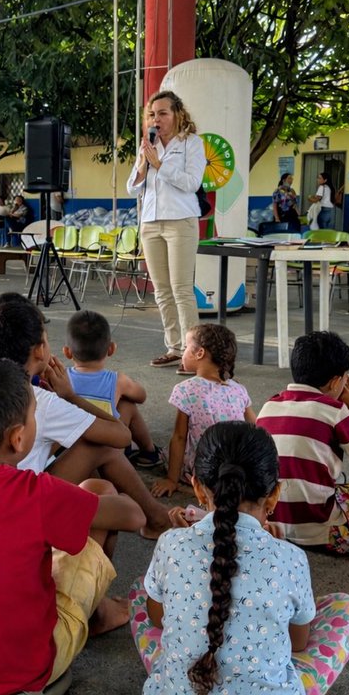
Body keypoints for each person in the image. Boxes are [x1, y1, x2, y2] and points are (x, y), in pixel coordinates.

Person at [0, 359, 144, 695]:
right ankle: (98, 617)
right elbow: (133, 516)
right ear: (19, 438)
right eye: (35, 415)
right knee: (99, 491)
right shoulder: (34, 493)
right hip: (28, 668)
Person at [129, 421, 349, 694]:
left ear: (197, 487)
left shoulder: (170, 543)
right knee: (344, 608)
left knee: (140, 591)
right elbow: (298, 642)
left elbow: (158, 619)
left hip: (179, 688)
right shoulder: (291, 558)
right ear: (275, 494)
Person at [0, 298, 172, 537]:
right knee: (102, 459)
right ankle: (156, 518)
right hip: (7, 512)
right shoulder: (35, 399)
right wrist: (70, 396)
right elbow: (122, 437)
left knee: (79, 440)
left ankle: (156, 517)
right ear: (40, 350)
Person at [256, 331, 349, 554]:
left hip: (275, 525)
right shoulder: (334, 411)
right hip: (325, 533)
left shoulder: (269, 406)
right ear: (335, 382)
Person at [125, 91, 208, 371]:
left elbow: (192, 183)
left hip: (180, 220)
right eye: (152, 114)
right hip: (150, 222)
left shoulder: (191, 144)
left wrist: (160, 165)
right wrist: (143, 163)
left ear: (177, 115)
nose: (156, 119)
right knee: (161, 290)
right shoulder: (147, 144)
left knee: (181, 288)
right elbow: (131, 187)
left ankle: (193, 352)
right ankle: (174, 347)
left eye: (162, 113)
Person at [151, 324, 257, 498]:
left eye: (185, 348)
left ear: (199, 353)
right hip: (234, 467)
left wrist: (171, 480)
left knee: (167, 452)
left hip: (203, 467)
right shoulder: (238, 388)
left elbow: (179, 437)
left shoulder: (186, 390)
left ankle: (188, 485)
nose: (183, 353)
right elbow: (256, 428)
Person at [62, 309, 161, 468]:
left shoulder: (61, 378)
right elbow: (141, 396)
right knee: (128, 404)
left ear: (67, 352)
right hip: (109, 454)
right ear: (111, 349)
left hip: (70, 454)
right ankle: (149, 452)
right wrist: (122, 391)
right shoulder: (117, 380)